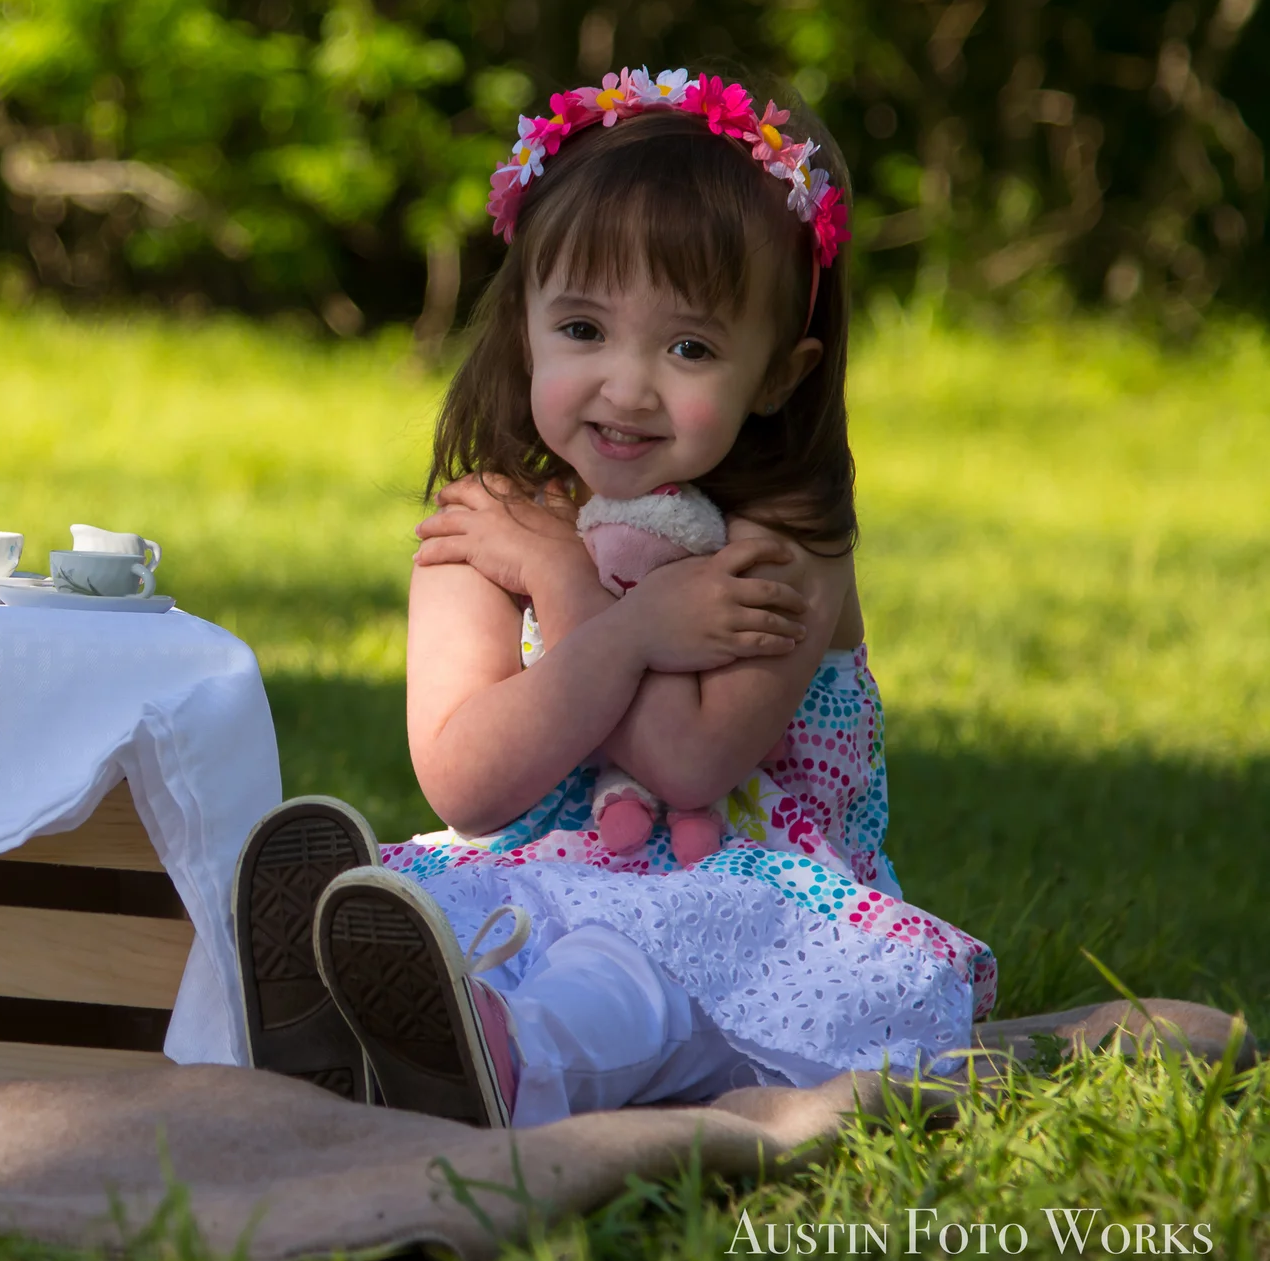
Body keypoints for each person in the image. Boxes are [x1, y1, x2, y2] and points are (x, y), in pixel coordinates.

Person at [232, 67, 993, 1127]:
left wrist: (572, 588)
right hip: (530, 873)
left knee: (619, 975)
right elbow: (469, 784)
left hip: (744, 909)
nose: (627, 386)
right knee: (450, 922)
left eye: (689, 347)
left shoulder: (782, 546)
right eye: (584, 329)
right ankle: (352, 1023)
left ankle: (511, 1060)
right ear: (524, 327)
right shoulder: (490, 523)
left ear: (778, 374)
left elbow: (686, 763)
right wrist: (609, 604)